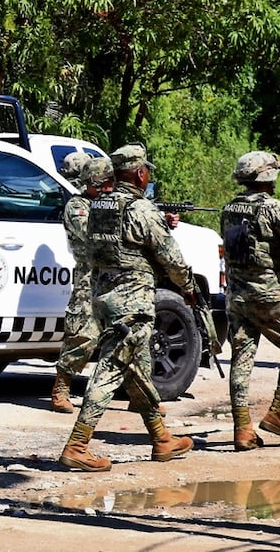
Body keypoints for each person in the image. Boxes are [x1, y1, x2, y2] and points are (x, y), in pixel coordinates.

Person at [59, 143, 197, 472]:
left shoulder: (98, 206)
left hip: (102, 296)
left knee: (134, 369)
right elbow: (171, 257)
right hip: (131, 300)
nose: (147, 175)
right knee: (112, 368)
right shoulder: (140, 209)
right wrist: (188, 287)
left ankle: (162, 439)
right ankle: (77, 445)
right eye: (146, 170)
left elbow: (90, 252)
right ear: (138, 173)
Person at [220, 151, 280, 451]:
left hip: (237, 297)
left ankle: (242, 429)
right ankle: (277, 413)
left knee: (241, 357)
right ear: (267, 177)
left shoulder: (229, 208)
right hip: (270, 296)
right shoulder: (275, 209)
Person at [50, 153, 113, 413]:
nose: (110, 188)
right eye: (105, 183)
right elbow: (90, 237)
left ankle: (140, 397)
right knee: (82, 336)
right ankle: (60, 389)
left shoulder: (110, 205)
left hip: (113, 277)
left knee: (130, 337)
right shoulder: (78, 206)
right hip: (89, 278)